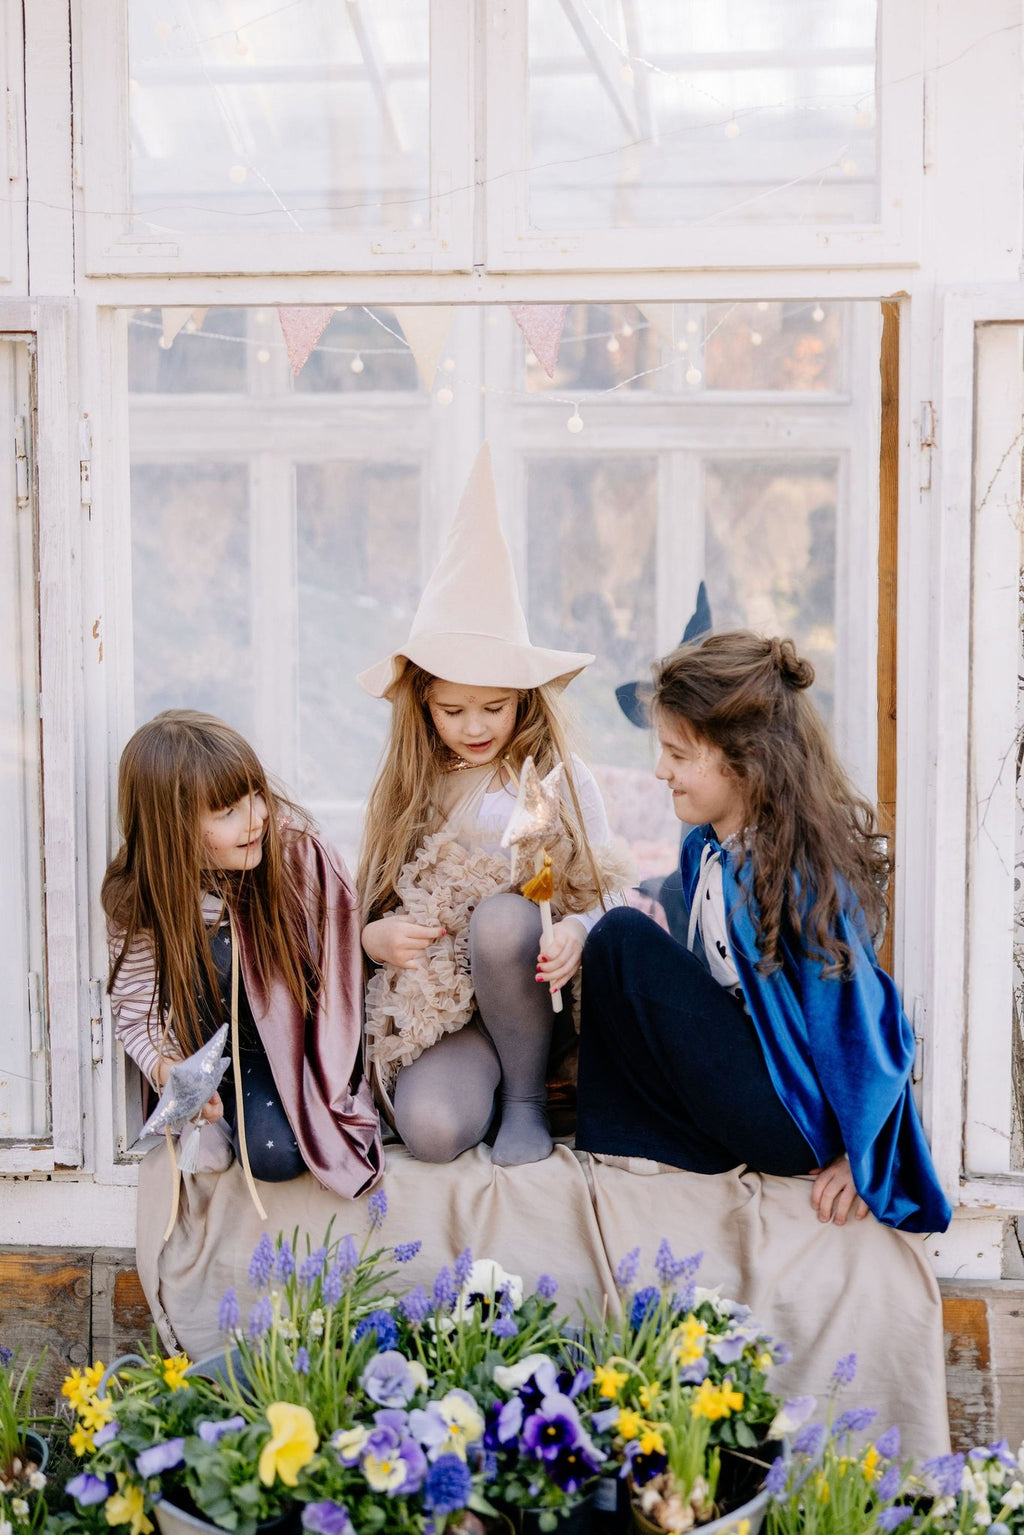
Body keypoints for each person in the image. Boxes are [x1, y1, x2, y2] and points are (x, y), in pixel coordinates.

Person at [576, 630, 952, 1235]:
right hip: (744, 1089)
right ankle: (651, 1138)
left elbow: (861, 1016)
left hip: (787, 1117)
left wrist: (863, 1156)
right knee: (619, 938)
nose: (659, 770)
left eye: (677, 753)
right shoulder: (706, 847)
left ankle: (638, 1135)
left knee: (620, 938)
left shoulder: (791, 874)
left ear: (744, 757)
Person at [357, 444, 630, 1168]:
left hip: (535, 992)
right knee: (434, 1131)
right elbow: (368, 899)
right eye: (453, 709)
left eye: (495, 707)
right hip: (446, 1009)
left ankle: (527, 1100)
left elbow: (611, 889)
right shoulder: (408, 786)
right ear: (422, 701)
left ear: (525, 699)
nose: (475, 727)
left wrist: (576, 928)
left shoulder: (553, 778)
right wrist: (372, 937)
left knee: (507, 913)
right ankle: (486, 1085)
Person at [103, 709, 382, 1200]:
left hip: (276, 1054)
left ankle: (236, 1110)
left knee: (274, 1157)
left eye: (256, 795)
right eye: (228, 811)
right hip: (201, 1049)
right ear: (175, 828)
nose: (257, 818)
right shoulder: (142, 896)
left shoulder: (297, 858)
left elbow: (339, 984)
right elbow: (135, 1007)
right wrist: (174, 1073)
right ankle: (209, 1111)